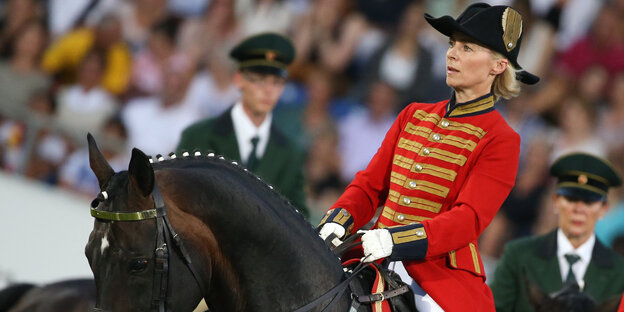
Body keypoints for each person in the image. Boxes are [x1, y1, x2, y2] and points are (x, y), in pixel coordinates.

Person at [318, 3, 539, 311]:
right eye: (451, 45)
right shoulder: (413, 114)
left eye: (467, 48)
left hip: (437, 274)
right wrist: (339, 220)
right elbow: (370, 185)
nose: (452, 54)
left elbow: (467, 219)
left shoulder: (501, 138)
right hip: (371, 254)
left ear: (497, 66)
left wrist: (395, 240)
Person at [176, 32, 308, 218]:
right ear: (239, 80)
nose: (268, 91)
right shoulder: (198, 136)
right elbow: (178, 199)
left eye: (277, 82)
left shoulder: (291, 153)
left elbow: (299, 217)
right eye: (259, 80)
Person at [490, 152, 624, 311]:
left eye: (589, 202)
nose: (578, 209)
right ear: (555, 201)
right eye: (571, 199)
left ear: (603, 209)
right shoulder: (518, 256)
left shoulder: (619, 272)